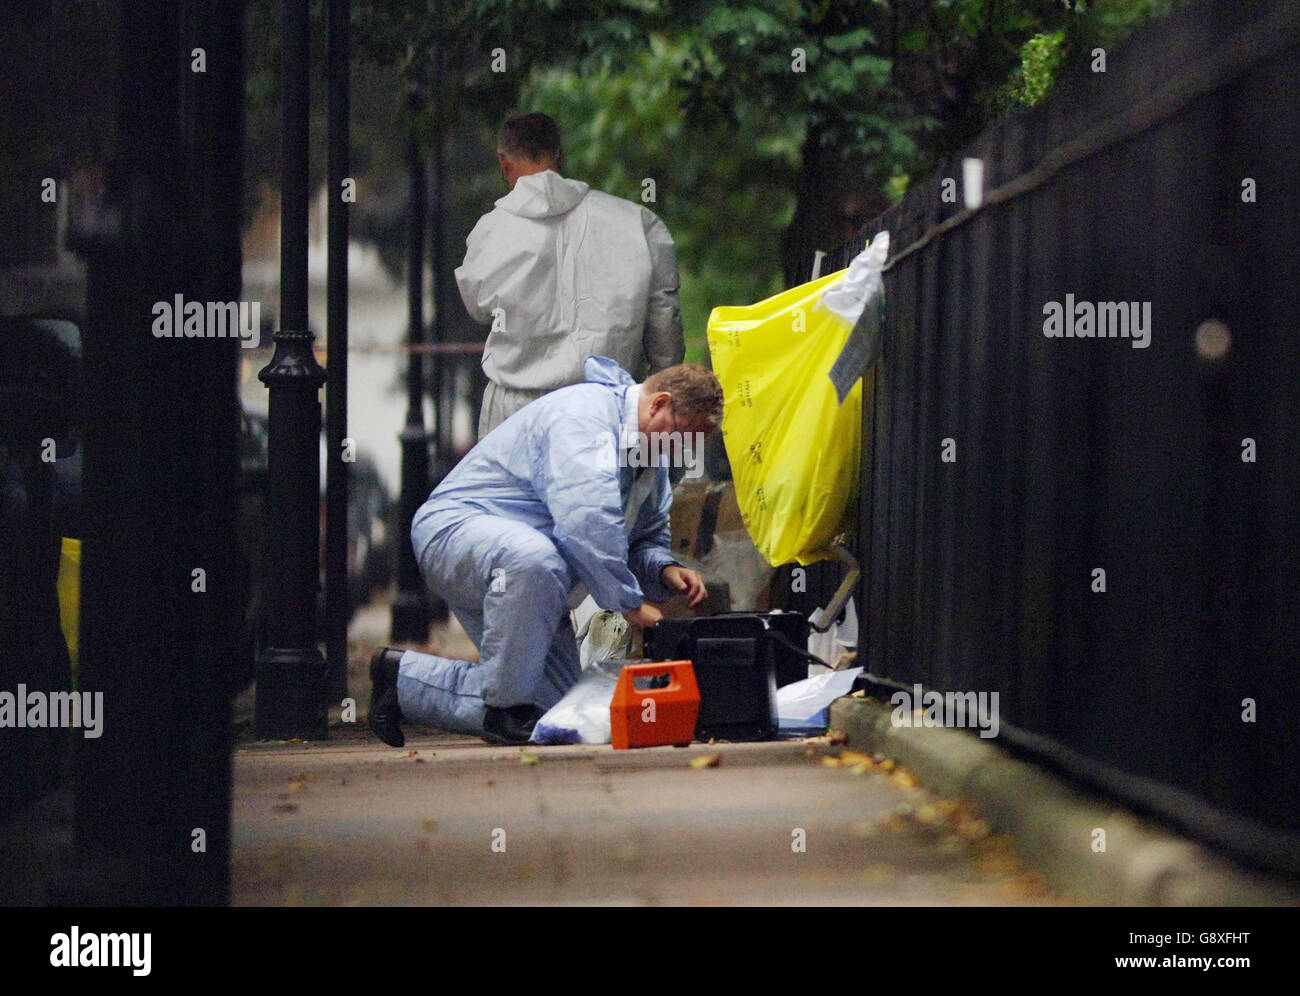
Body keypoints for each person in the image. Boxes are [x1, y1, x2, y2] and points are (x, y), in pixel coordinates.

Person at [368, 356, 722, 746]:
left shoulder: (650, 460)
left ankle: (402, 681)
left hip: (533, 575)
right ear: (658, 404)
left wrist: (663, 570)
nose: (682, 450)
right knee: (534, 559)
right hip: (456, 534)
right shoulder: (584, 416)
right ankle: (504, 706)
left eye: (694, 442)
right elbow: (585, 518)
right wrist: (628, 602)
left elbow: (644, 538)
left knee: (559, 712)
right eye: (682, 434)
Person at [456, 113, 685, 437]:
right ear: (561, 155)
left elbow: (477, 307)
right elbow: (665, 332)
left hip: (514, 419)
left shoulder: (491, 231)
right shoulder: (639, 223)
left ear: (503, 162)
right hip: (606, 413)